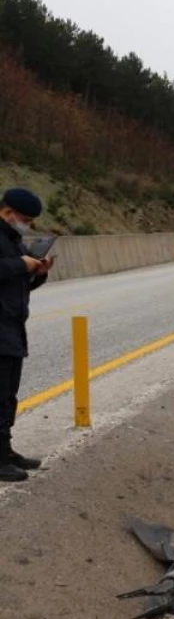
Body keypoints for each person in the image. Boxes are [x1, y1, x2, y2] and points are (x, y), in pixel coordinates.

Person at [0, 188, 53, 482]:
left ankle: (4, 451)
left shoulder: (14, 241)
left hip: (11, 329)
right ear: (7, 213)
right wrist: (20, 265)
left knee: (7, 397)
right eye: (24, 219)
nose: (27, 226)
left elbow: (19, 287)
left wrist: (38, 273)